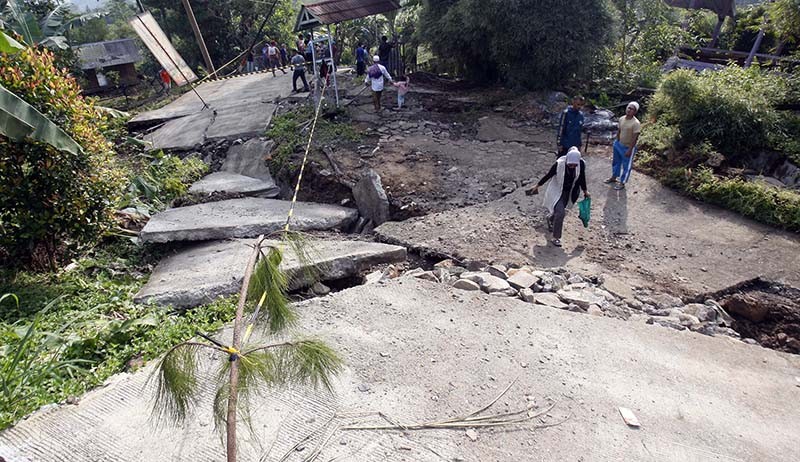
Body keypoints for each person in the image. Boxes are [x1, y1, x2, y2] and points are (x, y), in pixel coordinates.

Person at [527, 147, 590, 247]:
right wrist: (537, 186)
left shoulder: (581, 164)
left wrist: (585, 191)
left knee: (559, 211)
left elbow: (582, 177)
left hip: (570, 192)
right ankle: (556, 237)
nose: (573, 167)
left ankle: (550, 219)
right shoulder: (559, 164)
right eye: (570, 164)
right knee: (560, 212)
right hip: (557, 190)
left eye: (575, 165)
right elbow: (548, 175)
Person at [606, 101, 641, 190]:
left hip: (628, 147)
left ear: (635, 111)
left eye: (631, 109)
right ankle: (614, 177)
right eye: (628, 107)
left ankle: (622, 182)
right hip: (618, 144)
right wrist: (616, 141)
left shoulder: (636, 123)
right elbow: (619, 130)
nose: (629, 110)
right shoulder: (622, 118)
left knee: (626, 166)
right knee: (616, 162)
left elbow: (635, 138)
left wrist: (630, 149)